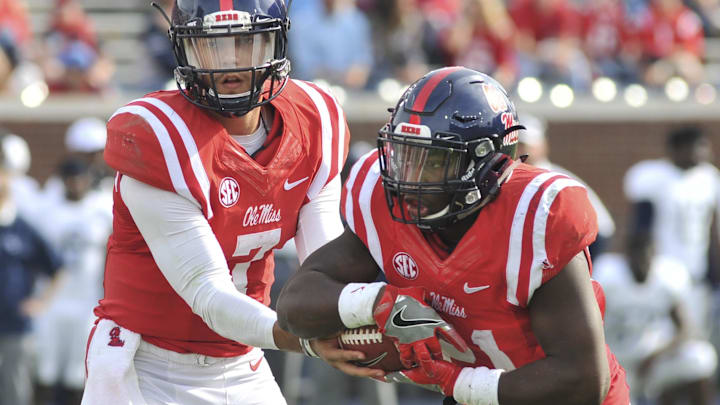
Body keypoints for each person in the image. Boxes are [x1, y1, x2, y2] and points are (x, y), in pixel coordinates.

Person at [277, 66, 630, 405]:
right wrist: (378, 302)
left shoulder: (534, 218)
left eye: (431, 162)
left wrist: (455, 382)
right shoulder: (379, 199)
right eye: (403, 155)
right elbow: (294, 307)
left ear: (485, 164)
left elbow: (583, 380)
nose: (407, 179)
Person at [81, 0, 360, 404]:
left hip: (245, 358)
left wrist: (363, 312)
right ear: (184, 50)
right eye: (213, 46)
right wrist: (307, 341)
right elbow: (208, 295)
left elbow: (325, 262)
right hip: (147, 365)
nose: (229, 63)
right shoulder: (159, 137)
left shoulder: (315, 119)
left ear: (274, 43)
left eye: (245, 43)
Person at [594, 232, 717, 404]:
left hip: (651, 360)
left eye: (647, 257)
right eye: (638, 256)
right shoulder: (609, 279)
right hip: (617, 361)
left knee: (700, 357)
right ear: (628, 256)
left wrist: (657, 355)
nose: (643, 262)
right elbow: (590, 326)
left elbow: (686, 329)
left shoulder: (665, 280)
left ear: (654, 256)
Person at [623, 127, 719, 340]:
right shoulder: (653, 177)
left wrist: (714, 276)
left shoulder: (709, 178)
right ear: (676, 149)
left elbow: (712, 230)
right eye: (697, 147)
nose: (703, 153)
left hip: (696, 276)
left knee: (697, 340)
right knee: (659, 340)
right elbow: (641, 229)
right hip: (662, 274)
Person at [34, 158, 112, 405]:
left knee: (78, 373)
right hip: (51, 301)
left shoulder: (101, 209)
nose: (75, 183)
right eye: (70, 178)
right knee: (45, 369)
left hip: (87, 300)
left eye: (80, 178)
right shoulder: (47, 212)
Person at [0, 134, 65, 405]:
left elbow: (57, 267)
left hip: (15, 327)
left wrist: (40, 302)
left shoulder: (23, 228)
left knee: (15, 394)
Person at [517, 113, 616, 258]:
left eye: (524, 146)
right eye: (517, 145)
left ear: (542, 146)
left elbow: (597, 227)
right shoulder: (526, 176)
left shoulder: (550, 179)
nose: (520, 151)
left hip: (590, 238)